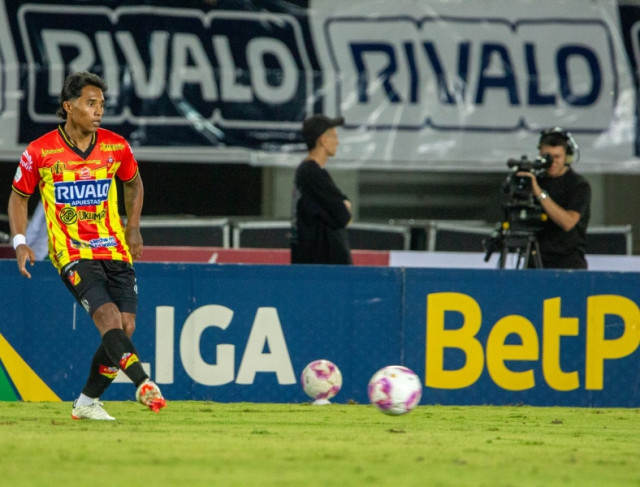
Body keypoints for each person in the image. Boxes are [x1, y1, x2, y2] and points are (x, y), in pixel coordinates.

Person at [7, 71, 166, 420]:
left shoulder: (115, 146)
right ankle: (143, 384)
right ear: (68, 106)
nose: (98, 111)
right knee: (107, 318)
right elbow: (18, 198)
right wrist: (20, 242)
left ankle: (86, 403)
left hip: (113, 249)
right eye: (90, 104)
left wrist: (134, 227)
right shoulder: (40, 151)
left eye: (102, 105)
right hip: (72, 253)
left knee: (124, 326)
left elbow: (134, 185)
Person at [516, 127, 591, 269]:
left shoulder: (579, 185)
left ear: (567, 157)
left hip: (567, 263)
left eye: (557, 157)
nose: (552, 162)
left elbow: (568, 222)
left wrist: (539, 193)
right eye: (547, 157)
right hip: (534, 260)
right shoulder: (536, 180)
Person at [290, 114, 353, 264]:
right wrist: (344, 206)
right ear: (323, 140)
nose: (337, 142)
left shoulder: (308, 171)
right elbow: (343, 215)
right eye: (334, 137)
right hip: (320, 268)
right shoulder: (312, 173)